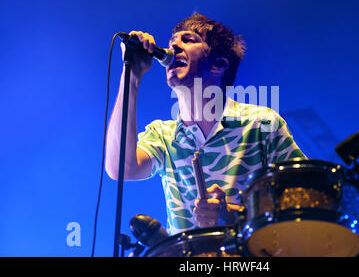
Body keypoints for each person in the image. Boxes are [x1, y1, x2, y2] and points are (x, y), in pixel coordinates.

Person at [105, 13, 306, 236]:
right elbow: (120, 168)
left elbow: (306, 199)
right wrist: (131, 75)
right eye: (172, 42)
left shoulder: (261, 124)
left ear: (218, 64)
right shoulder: (163, 135)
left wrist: (235, 215)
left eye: (188, 40)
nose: (174, 46)